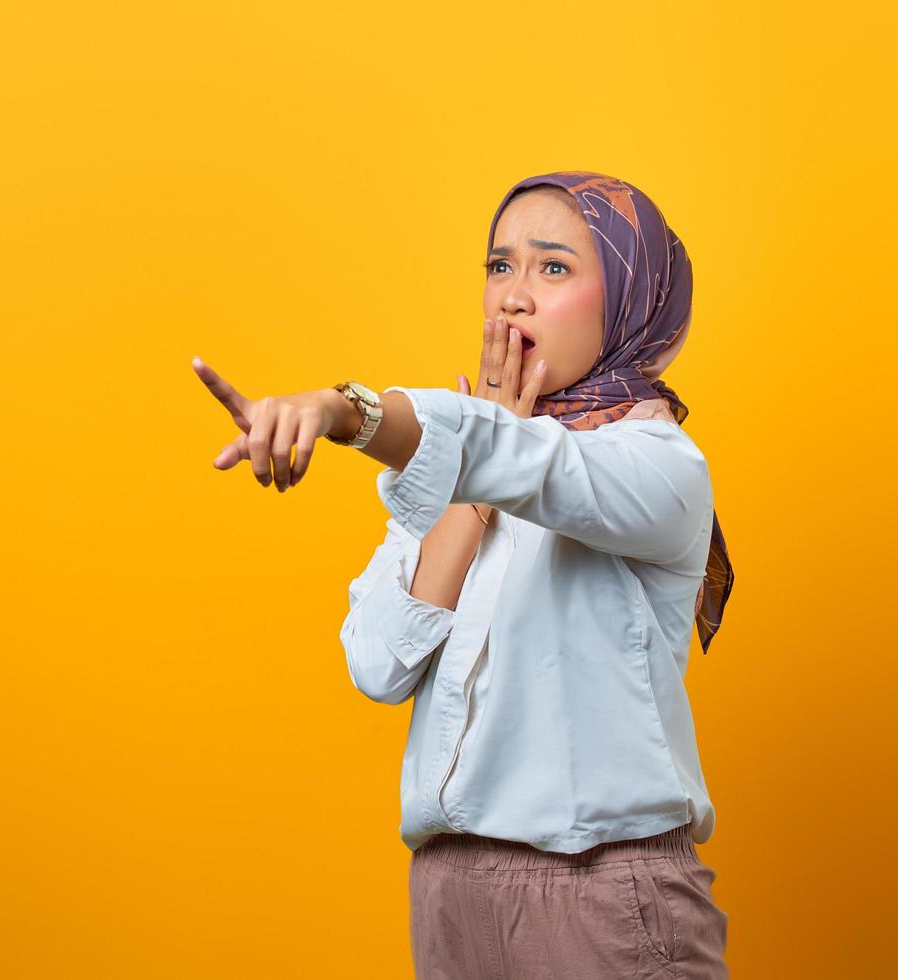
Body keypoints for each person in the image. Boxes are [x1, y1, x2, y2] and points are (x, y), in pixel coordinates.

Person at [192, 171, 733, 977]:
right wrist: (469, 496)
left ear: (627, 298)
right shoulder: (471, 468)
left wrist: (346, 410)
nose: (512, 296)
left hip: (598, 897)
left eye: (552, 268)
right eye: (497, 266)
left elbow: (526, 464)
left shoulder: (657, 467)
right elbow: (377, 664)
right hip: (451, 897)